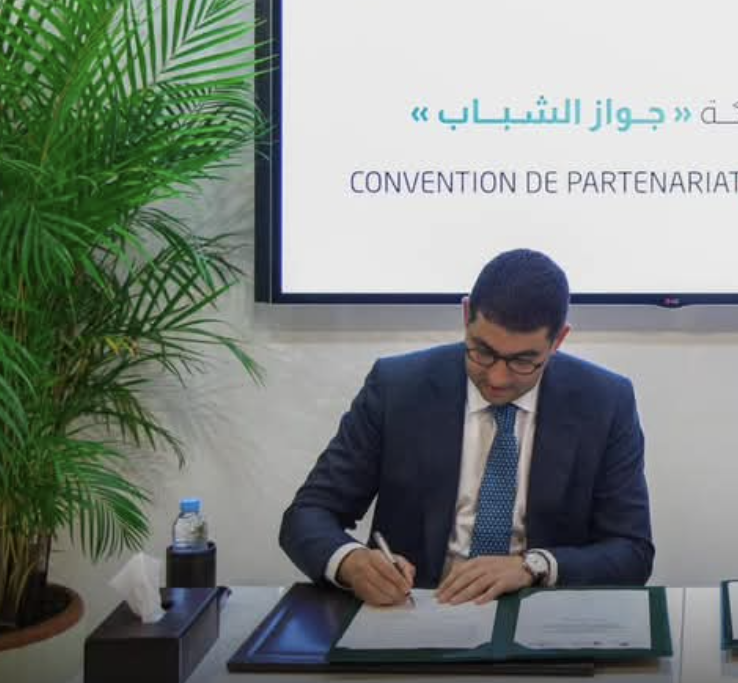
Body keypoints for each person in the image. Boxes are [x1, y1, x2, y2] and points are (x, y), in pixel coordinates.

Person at [280, 249, 654, 606]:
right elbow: (307, 515)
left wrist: (534, 566)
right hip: (419, 608)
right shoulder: (398, 387)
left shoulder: (605, 401)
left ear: (558, 340)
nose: (497, 378)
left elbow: (632, 552)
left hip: (541, 615)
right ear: (465, 315)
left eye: (523, 361)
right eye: (482, 351)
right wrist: (350, 561)